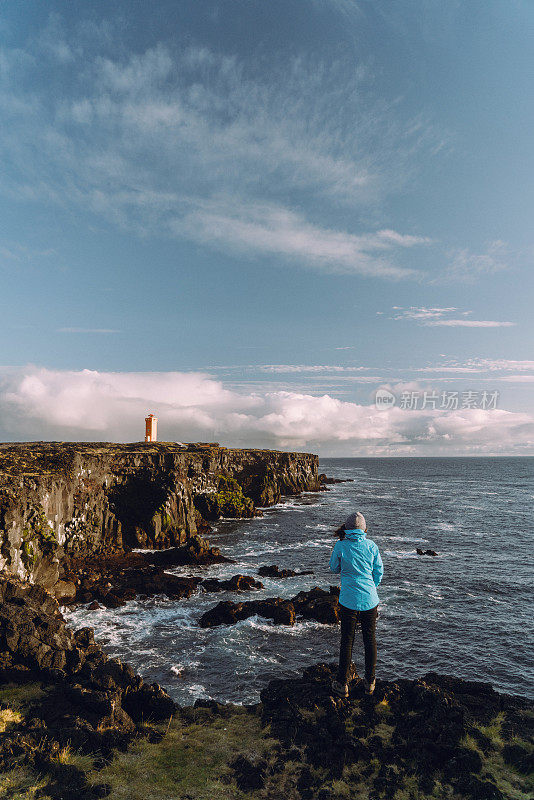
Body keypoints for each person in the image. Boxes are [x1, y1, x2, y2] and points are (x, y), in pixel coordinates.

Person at [329, 511, 383, 698]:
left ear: (347, 528)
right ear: (364, 529)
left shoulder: (341, 546)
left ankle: (342, 684)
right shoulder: (372, 546)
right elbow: (379, 572)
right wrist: (371, 587)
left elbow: (334, 568)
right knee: (370, 639)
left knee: (347, 640)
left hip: (348, 600)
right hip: (370, 599)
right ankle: (370, 683)